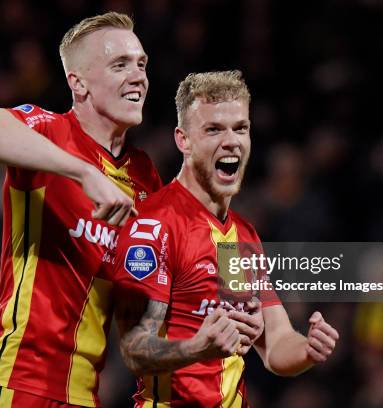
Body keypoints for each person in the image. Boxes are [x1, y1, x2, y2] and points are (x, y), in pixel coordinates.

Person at [0, 12, 163, 408]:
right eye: (120, 65)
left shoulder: (146, 177)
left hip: (82, 396)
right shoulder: (47, 131)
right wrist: (83, 173)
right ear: (77, 83)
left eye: (141, 64)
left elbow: (141, 304)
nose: (138, 76)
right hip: (11, 383)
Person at [113, 71, 339, 406]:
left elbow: (275, 343)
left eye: (241, 128)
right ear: (183, 140)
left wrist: (307, 349)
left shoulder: (240, 237)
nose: (231, 140)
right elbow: (134, 347)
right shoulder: (155, 225)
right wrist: (197, 347)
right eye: (214, 129)